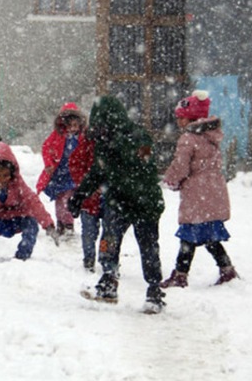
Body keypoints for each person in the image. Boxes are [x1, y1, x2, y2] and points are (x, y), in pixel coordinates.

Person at [68, 96, 166, 314]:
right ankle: (108, 281)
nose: (100, 131)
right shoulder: (103, 143)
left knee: (148, 246)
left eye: (104, 125)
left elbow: (145, 168)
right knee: (108, 240)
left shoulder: (139, 138)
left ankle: (154, 290)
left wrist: (118, 147)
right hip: (118, 201)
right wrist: (79, 196)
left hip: (145, 203)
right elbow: (97, 172)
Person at [160, 90, 239, 288]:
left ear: (190, 118)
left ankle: (180, 274)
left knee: (189, 234)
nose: (178, 121)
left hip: (197, 192)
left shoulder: (188, 138)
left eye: (181, 117)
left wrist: (171, 180)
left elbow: (181, 165)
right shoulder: (211, 136)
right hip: (214, 189)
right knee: (210, 235)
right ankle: (227, 269)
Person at [36, 102, 86, 244]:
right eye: (69, 125)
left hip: (73, 174)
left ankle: (68, 223)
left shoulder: (82, 138)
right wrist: (49, 164)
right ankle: (61, 222)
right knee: (60, 199)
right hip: (59, 173)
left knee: (68, 198)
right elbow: (46, 147)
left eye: (75, 126)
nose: (72, 129)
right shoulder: (57, 136)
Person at [68, 130, 104, 272]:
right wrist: (86, 184)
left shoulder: (91, 144)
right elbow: (75, 165)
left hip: (98, 197)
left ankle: (105, 257)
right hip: (89, 198)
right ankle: (90, 257)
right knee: (91, 232)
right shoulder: (87, 145)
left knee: (105, 233)